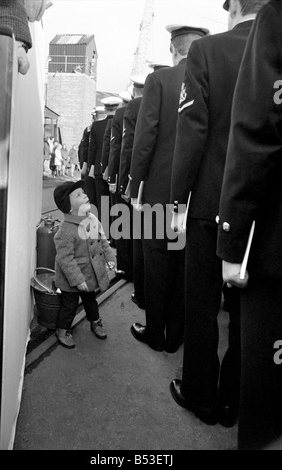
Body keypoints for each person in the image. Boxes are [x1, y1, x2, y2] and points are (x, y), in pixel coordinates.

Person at [169, 0, 269, 427]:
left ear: (233, 9)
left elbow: (192, 133)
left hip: (211, 205)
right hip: (264, 211)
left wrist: (177, 202)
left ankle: (201, 395)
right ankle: (233, 398)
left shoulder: (207, 52)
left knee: (202, 305)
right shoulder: (275, 49)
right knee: (250, 316)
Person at [217, 0, 282, 450]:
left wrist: (231, 242)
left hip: (273, 243)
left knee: (268, 413)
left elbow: (257, 134)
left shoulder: (275, 18)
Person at [129, 25, 209, 354]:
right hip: (194, 195)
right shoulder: (211, 79)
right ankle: (176, 334)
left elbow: (145, 138)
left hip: (159, 192)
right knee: (181, 265)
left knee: (157, 263)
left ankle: (155, 332)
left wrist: (136, 184)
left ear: (173, 49)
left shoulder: (159, 81)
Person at [53, 180, 116, 349]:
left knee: (91, 301)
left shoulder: (92, 219)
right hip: (71, 280)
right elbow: (65, 259)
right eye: (78, 195)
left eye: (83, 192)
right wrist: (77, 280)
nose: (85, 195)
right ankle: (63, 329)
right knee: (69, 306)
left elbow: (102, 241)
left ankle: (95, 321)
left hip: (90, 275)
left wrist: (110, 259)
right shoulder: (65, 230)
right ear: (69, 206)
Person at [118, 77, 146, 309]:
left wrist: (128, 180)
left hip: (143, 183)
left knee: (139, 235)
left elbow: (129, 147)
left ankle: (138, 284)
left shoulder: (134, 108)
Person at [107, 91, 133, 279]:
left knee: (123, 221)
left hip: (125, 175)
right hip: (148, 178)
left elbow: (118, 149)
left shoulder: (121, 114)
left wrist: (115, 179)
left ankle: (124, 266)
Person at [88, 97, 122, 227]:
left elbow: (92, 149)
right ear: (117, 107)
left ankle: (104, 231)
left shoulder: (96, 125)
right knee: (115, 203)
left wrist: (90, 166)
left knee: (102, 202)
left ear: (105, 109)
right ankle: (114, 233)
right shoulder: (121, 123)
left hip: (98, 168)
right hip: (115, 169)